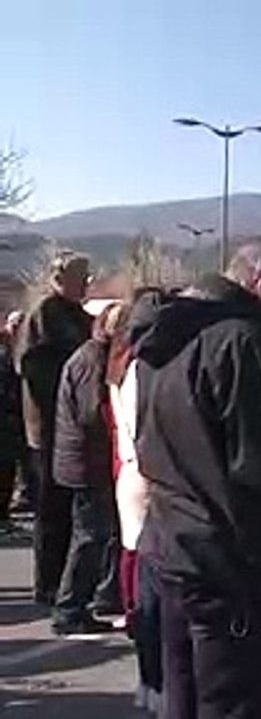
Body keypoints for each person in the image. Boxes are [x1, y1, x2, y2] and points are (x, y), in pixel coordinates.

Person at [130, 235, 261, 719]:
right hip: (230, 554)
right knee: (235, 700)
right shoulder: (244, 341)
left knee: (185, 697)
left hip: (171, 542)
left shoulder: (162, 337)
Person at [16, 252, 93, 606]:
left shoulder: (77, 316)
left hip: (72, 427)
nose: (87, 284)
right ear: (60, 279)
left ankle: (65, 579)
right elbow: (30, 366)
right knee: (51, 509)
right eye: (82, 277)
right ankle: (47, 584)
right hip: (48, 428)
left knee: (69, 508)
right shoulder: (44, 315)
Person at [50, 301, 125, 636]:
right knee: (89, 537)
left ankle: (88, 600)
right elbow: (92, 413)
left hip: (85, 460)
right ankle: (69, 609)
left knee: (97, 535)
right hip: (86, 462)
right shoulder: (93, 360)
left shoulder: (96, 356)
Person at [108, 289, 166, 712]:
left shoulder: (121, 363)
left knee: (146, 579)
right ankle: (157, 681)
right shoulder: (145, 368)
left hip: (131, 475)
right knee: (155, 587)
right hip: (149, 480)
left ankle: (152, 681)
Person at [0, 316, 24, 526]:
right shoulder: (4, 352)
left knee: (8, 468)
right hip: (5, 418)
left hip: (11, 419)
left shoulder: (15, 348)